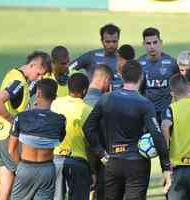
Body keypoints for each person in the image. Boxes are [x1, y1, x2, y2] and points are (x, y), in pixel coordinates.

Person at [83, 60, 171, 200]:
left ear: (122, 77)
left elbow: (88, 127)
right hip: (137, 164)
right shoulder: (144, 103)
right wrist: (166, 167)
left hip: (112, 161)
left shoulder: (106, 99)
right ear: (141, 77)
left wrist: (101, 153)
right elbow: (156, 134)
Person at [0, 51, 51, 200]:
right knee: (27, 184)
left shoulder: (14, 74)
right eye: (39, 74)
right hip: (10, 140)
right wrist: (13, 121)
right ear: (32, 65)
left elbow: (19, 98)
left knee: (4, 190)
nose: (40, 78)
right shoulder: (19, 82)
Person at [8, 78, 66, 200]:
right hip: (47, 170)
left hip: (25, 167)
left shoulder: (22, 117)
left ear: (38, 93)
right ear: (55, 96)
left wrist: (20, 167)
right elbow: (60, 139)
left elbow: (11, 149)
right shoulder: (60, 120)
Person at [51, 73, 93, 200]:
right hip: (79, 163)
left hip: (55, 160)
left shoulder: (55, 104)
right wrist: (92, 171)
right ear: (85, 90)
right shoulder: (88, 110)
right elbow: (91, 144)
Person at [138, 27, 179, 124]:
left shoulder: (171, 63)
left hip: (167, 114)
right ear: (144, 44)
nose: (152, 46)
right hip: (147, 113)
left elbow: (178, 88)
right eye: (148, 43)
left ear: (160, 42)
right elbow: (138, 90)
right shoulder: (139, 64)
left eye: (155, 42)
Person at [83, 65, 112, 200]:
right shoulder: (105, 103)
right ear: (106, 80)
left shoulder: (80, 99)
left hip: (78, 158)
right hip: (99, 159)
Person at [69, 24, 122, 90]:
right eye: (107, 42)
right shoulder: (91, 56)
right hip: (93, 98)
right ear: (102, 41)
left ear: (118, 40)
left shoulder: (124, 59)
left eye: (114, 41)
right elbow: (69, 68)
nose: (111, 45)